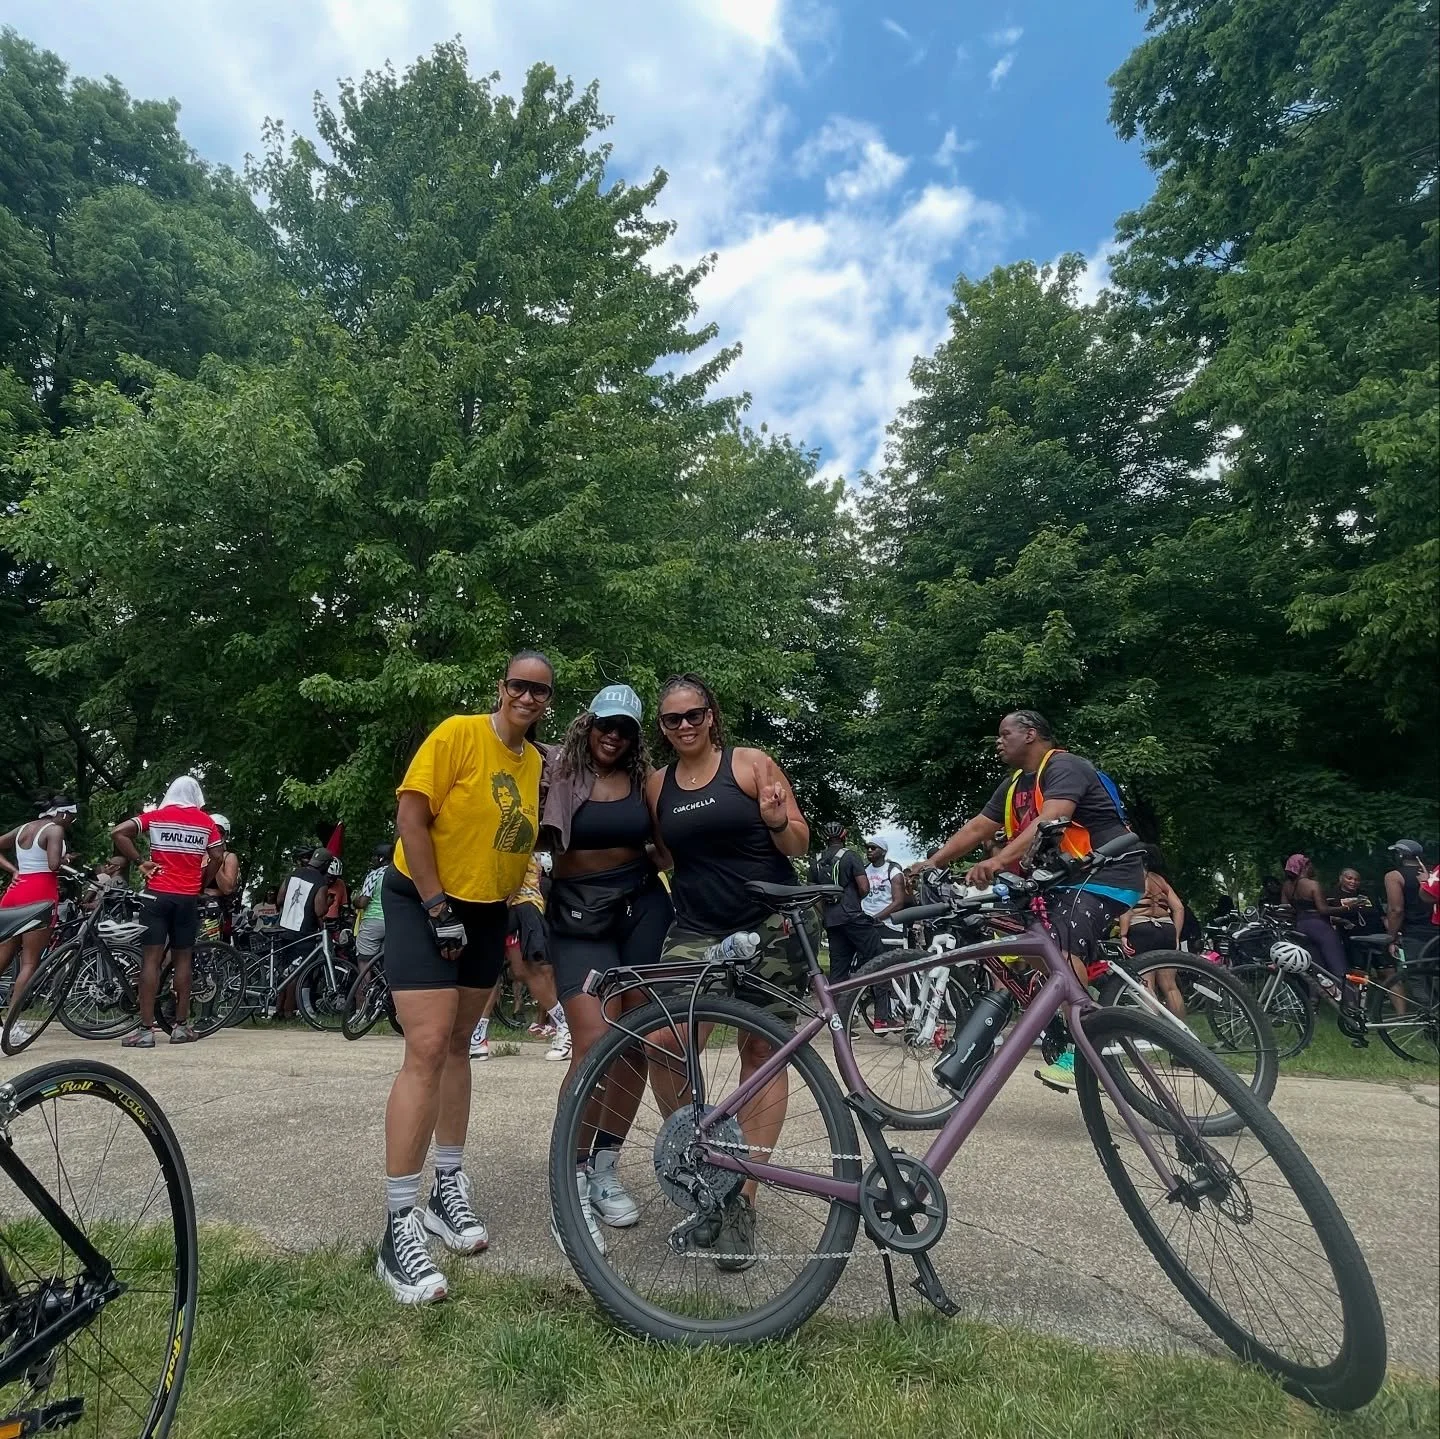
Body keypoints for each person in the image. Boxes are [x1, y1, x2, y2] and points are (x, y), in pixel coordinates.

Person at [376, 648, 550, 1305]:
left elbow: (521, 840)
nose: (528, 697)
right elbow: (410, 817)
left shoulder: (535, 763)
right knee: (426, 1046)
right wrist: (435, 906)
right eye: (519, 685)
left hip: (484, 910)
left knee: (459, 1045)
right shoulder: (458, 733)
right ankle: (398, 1224)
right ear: (501, 687)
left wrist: (525, 899)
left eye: (540, 690)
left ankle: (446, 1188)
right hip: (424, 900)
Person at [647, 673, 812, 1272]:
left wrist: (776, 820)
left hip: (770, 924)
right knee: (663, 1040)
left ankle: (741, 1200)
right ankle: (701, 1159)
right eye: (673, 719)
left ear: (711, 715)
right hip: (695, 928)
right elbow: (664, 854)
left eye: (694, 714)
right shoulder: (656, 785)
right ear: (662, 727)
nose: (685, 726)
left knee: (762, 1052)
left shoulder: (749, 764)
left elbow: (798, 842)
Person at [909, 710, 1143, 1094]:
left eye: (1005, 733)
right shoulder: (1014, 785)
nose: (998, 742)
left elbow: (1051, 819)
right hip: (1061, 880)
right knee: (1027, 945)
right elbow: (978, 827)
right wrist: (933, 862)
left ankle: (1086, 1052)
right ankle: (1080, 1010)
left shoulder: (1065, 766)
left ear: (1031, 734)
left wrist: (999, 860)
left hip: (1105, 873)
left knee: (1058, 945)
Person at [541, 684, 673, 1249]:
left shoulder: (645, 784)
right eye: (605, 724)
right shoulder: (553, 770)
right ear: (587, 723)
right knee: (594, 1041)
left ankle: (603, 1167)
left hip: (641, 907)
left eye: (625, 729)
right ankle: (567, 1179)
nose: (613, 736)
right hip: (578, 915)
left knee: (640, 1039)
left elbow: (667, 849)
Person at [112, 777, 224, 1047]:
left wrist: (140, 861)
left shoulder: (157, 816)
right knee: (183, 960)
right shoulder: (206, 822)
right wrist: (202, 882)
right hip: (187, 898)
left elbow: (118, 832)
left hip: (156, 895)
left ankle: (145, 1031)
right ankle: (181, 1027)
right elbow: (218, 856)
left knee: (151, 961)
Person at [0, 799, 79, 1044]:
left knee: (3, 958)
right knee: (29, 963)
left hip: (15, 893)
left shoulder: (23, 828)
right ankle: (11, 1026)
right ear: (63, 814)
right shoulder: (55, 830)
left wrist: (13, 870)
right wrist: (67, 860)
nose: (71, 822)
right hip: (39, 894)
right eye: (72, 817)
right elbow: (53, 864)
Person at [813, 822, 896, 1030]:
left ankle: (840, 1023)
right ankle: (882, 1018)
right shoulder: (850, 856)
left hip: (832, 922)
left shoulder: (816, 860)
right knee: (879, 961)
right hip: (853, 917)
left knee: (838, 972)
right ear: (844, 836)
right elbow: (864, 887)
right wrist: (852, 902)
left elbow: (815, 897)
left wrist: (828, 914)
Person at [1119, 847, 1187, 1017]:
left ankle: (1154, 1027)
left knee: (1146, 984)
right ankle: (1181, 1028)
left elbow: (1127, 909)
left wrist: (1123, 934)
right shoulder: (1160, 881)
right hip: (1167, 929)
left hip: (1141, 929)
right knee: (1170, 985)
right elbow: (1179, 908)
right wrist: (1176, 936)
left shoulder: (1133, 879)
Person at [1280, 854, 1346, 984]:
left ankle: (1318, 995)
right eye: (1310, 864)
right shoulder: (1312, 884)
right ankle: (1347, 994)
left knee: (1317, 968)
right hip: (1320, 926)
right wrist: (1348, 907)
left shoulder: (1287, 886)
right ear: (1304, 866)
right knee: (1337, 964)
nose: (1313, 867)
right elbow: (1323, 910)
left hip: (1300, 926)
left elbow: (1286, 908)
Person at [1383, 840, 1439, 966]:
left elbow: (1396, 910)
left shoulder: (1394, 876)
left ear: (1400, 855)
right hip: (1436, 931)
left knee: (1416, 973)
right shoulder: (1433, 874)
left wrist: (1391, 938)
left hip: (1415, 934)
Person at [355, 843, 392, 966]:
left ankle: (366, 979)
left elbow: (362, 903)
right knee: (388, 960)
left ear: (381, 858)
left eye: (375, 856)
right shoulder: (398, 875)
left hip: (373, 921)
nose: (372, 859)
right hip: (393, 922)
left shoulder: (374, 874)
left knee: (364, 960)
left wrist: (355, 901)